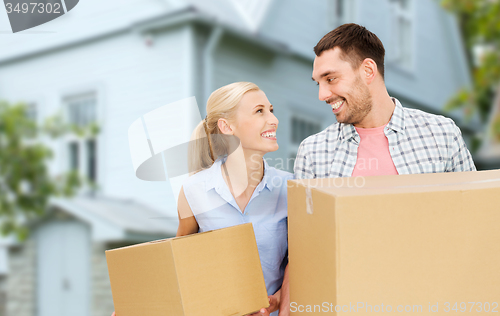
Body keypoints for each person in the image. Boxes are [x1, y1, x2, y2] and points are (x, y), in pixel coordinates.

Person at [279, 23, 477, 315]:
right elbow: (302, 250)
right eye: (317, 82)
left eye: (330, 79)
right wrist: (287, 307)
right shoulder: (313, 152)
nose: (322, 94)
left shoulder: (441, 134)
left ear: (368, 71)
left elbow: (476, 221)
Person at [112, 82, 291, 316]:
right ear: (226, 126)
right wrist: (138, 305)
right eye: (259, 111)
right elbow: (178, 264)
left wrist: (277, 301)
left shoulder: (292, 187)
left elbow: (303, 260)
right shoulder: (193, 190)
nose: (273, 119)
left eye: (271, 109)